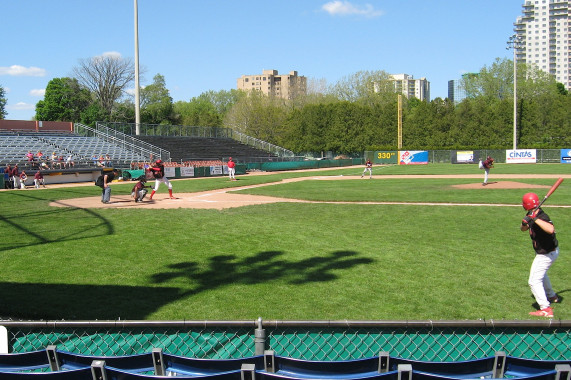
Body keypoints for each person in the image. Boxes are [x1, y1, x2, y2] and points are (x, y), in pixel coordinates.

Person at [520, 192, 560, 318]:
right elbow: (523, 229)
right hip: (547, 252)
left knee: (533, 281)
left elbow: (550, 229)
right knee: (541, 275)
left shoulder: (542, 215)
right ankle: (552, 295)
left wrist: (535, 219)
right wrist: (525, 223)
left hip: (547, 254)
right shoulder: (531, 214)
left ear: (525, 204)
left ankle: (545, 309)